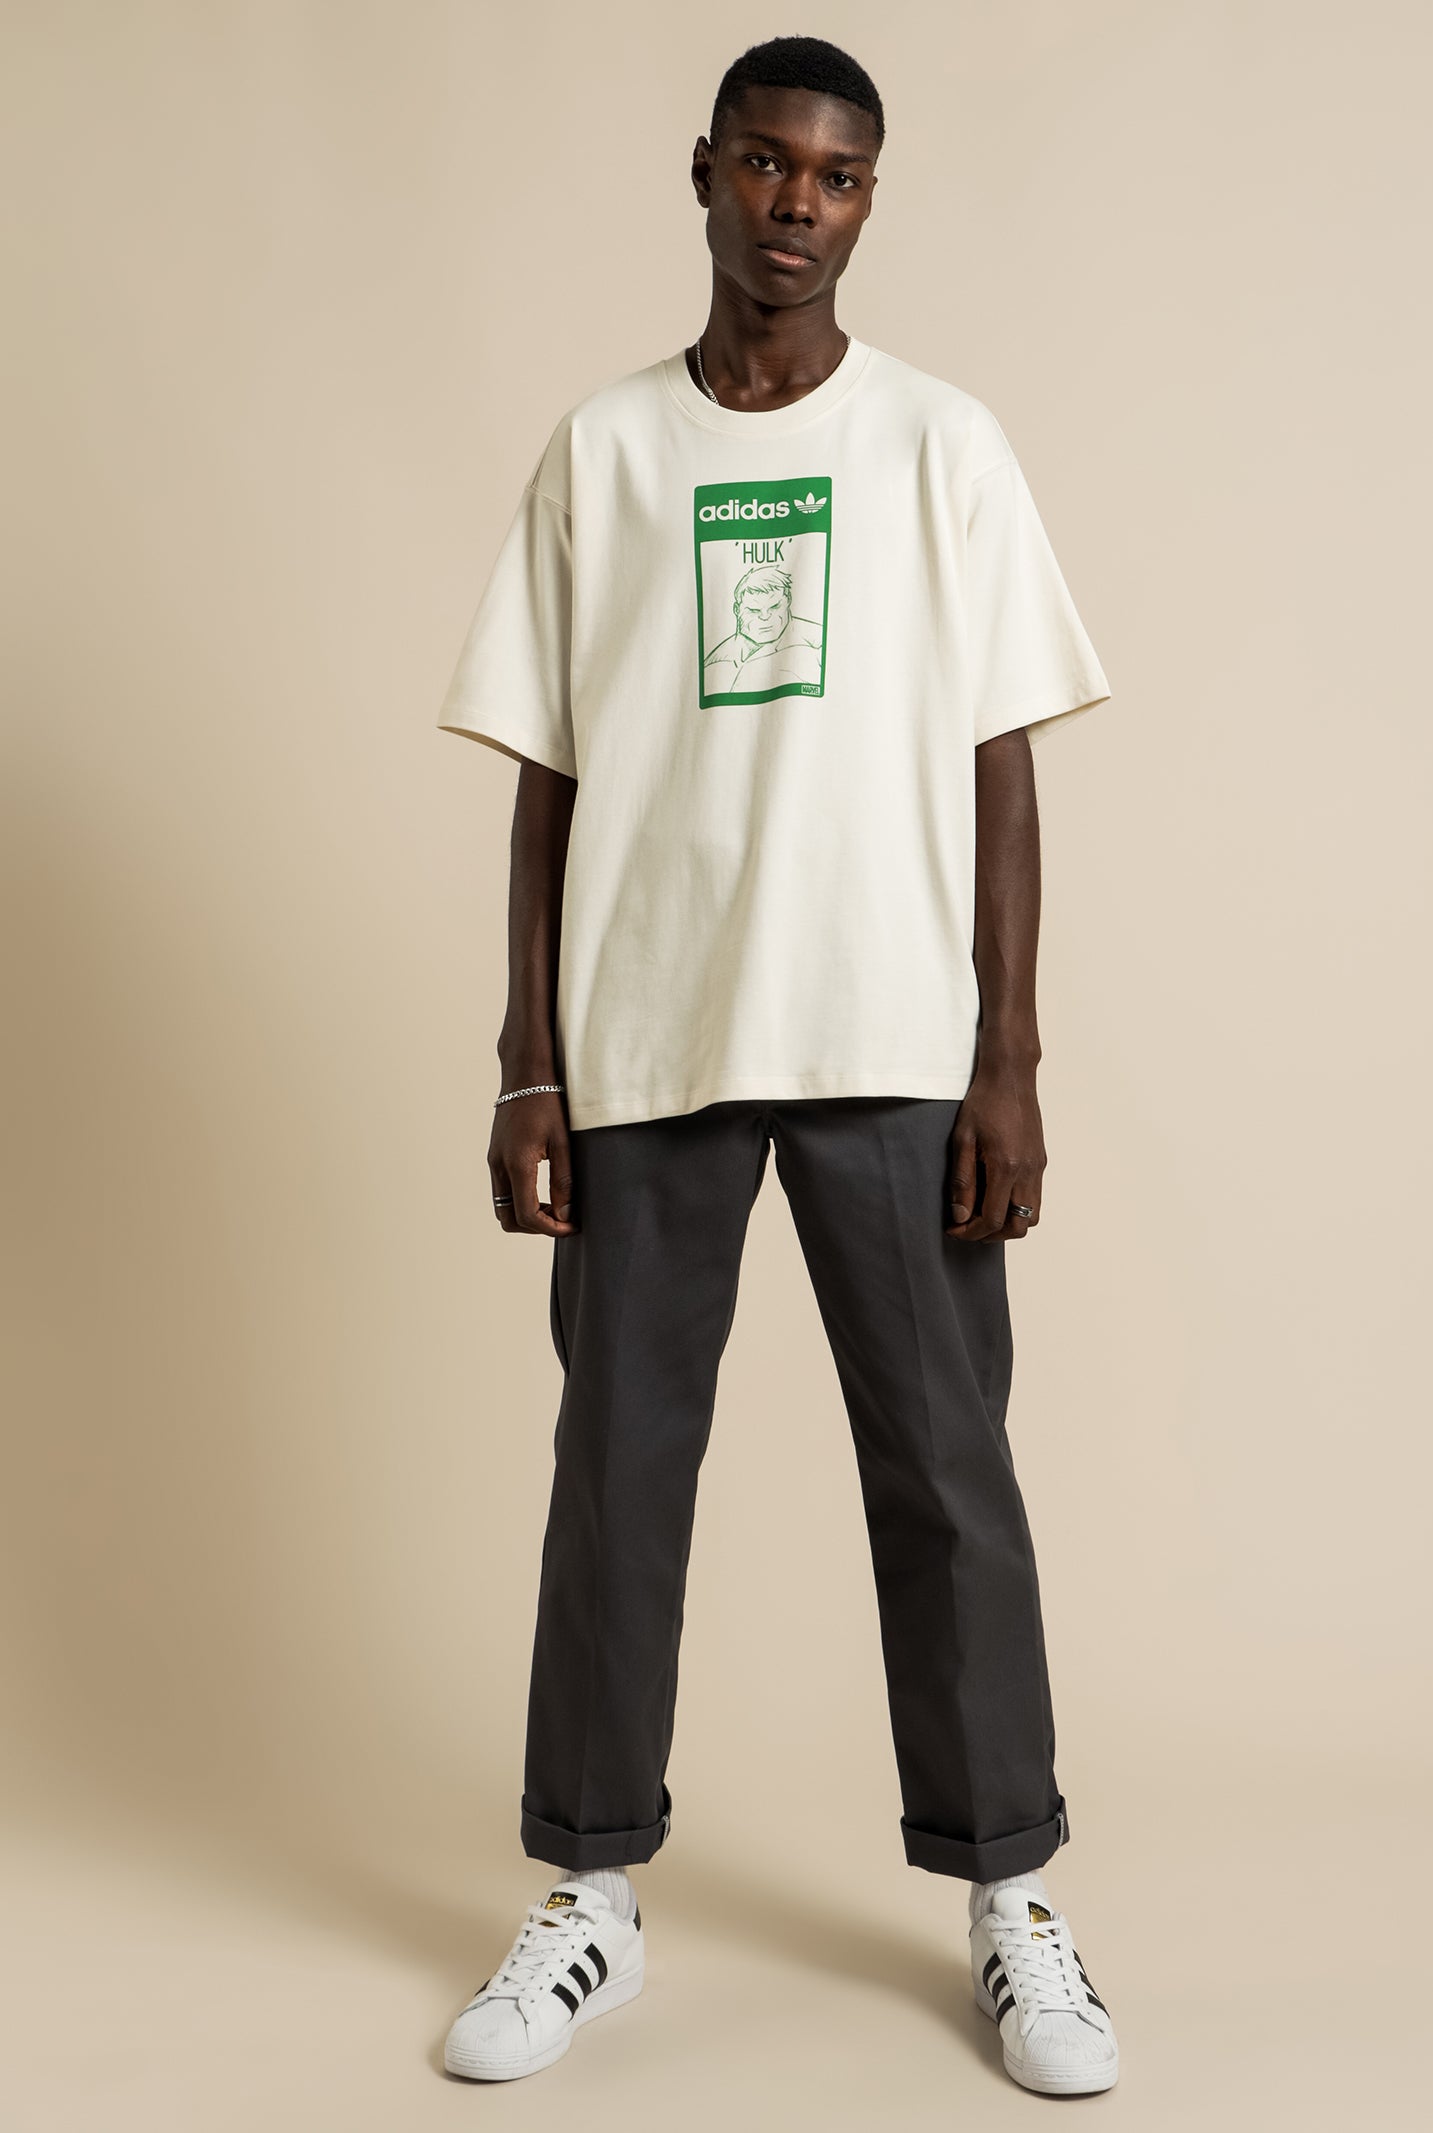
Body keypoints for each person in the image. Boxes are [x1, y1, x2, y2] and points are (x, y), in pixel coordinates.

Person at [434, 34, 1118, 2098]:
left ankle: (1010, 1898)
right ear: (706, 172)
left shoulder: (939, 444)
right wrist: (527, 1061)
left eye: (834, 175)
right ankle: (587, 1895)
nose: (795, 204)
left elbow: (1002, 763)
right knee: (614, 1480)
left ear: (866, 200)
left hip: (894, 1036)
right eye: (763, 163)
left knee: (949, 1477)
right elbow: (548, 776)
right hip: (647, 1041)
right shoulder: (604, 451)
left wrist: (1008, 1053)